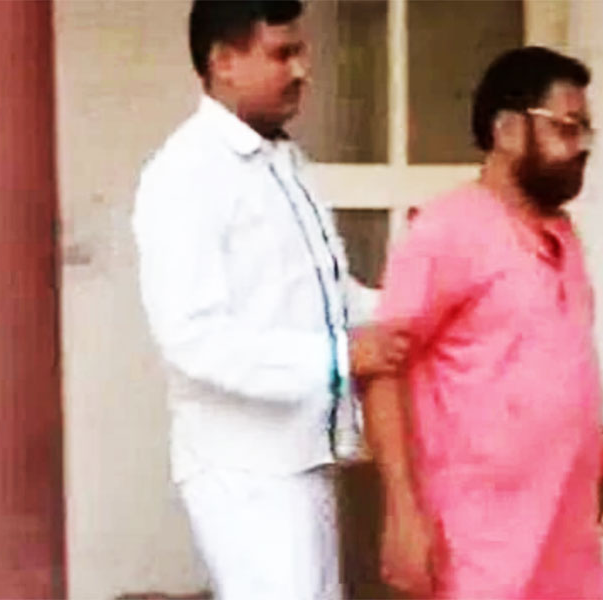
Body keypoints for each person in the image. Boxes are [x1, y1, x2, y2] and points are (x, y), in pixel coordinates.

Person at [131, 1, 407, 598]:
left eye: (300, 52)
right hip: (245, 466)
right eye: (282, 55)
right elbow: (194, 340)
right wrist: (338, 358)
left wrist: (412, 310)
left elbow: (328, 297)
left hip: (305, 452)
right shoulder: (186, 174)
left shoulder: (285, 161)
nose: (302, 70)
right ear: (224, 62)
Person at [363, 46, 603, 600]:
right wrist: (401, 511)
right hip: (479, 545)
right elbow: (382, 369)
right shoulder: (446, 230)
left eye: (586, 131)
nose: (581, 147)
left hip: (564, 542)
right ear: (508, 129)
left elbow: (563, 362)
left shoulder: (562, 235)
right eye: (567, 128)